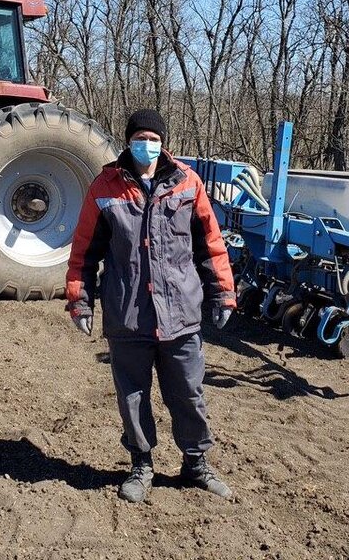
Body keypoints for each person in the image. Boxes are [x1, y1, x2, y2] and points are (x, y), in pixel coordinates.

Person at [65, 108, 237, 503]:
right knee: (132, 396)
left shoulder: (187, 184)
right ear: (128, 141)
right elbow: (84, 252)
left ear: (164, 142)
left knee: (189, 394)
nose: (147, 145)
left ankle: (196, 465)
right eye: (140, 138)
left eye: (153, 138)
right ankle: (141, 465)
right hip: (128, 315)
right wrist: (80, 300)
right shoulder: (104, 187)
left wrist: (223, 292)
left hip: (180, 314)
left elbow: (210, 244)